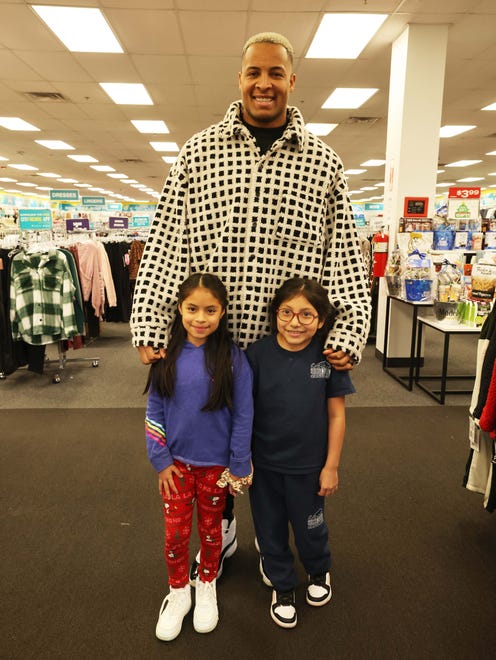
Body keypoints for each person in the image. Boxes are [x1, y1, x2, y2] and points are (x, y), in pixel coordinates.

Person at [131, 31, 371, 581]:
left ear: (292, 81)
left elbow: (343, 255)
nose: (264, 83)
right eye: (254, 73)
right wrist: (148, 320)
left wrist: (348, 330)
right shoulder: (199, 152)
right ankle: (227, 523)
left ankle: (276, 543)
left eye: (275, 73)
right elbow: (168, 238)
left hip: (287, 344)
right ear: (239, 80)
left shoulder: (323, 162)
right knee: (212, 438)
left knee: (276, 440)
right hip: (212, 340)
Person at [144, 273, 253, 641]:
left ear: (223, 312)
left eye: (210, 310)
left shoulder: (234, 358)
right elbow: (154, 409)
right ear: (180, 308)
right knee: (175, 536)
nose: (200, 318)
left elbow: (244, 414)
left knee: (211, 533)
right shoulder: (166, 356)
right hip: (175, 468)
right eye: (192, 309)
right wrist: (160, 460)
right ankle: (177, 591)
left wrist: (238, 463)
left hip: (216, 469)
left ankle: (206, 582)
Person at [245, 277, 355, 628]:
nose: (295, 322)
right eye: (287, 312)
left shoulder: (327, 357)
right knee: (270, 529)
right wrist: (240, 459)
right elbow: (243, 412)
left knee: (311, 527)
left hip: (310, 468)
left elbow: (337, 415)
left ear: (322, 320)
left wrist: (332, 466)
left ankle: (319, 571)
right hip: (263, 467)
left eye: (307, 315)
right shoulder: (256, 355)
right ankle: (282, 585)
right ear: (274, 314)